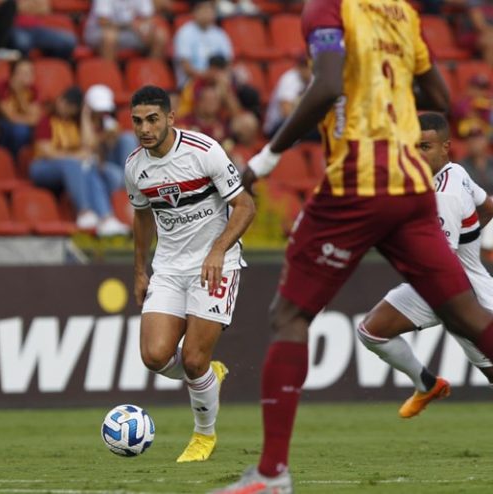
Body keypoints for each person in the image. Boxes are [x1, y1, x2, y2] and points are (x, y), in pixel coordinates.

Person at [215, 1, 493, 492]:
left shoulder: (325, 10)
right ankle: (425, 382)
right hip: (411, 185)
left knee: (289, 316)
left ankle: (272, 474)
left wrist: (264, 159)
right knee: (468, 316)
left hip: (360, 180)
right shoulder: (401, 13)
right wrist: (387, 92)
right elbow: (439, 94)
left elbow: (325, 86)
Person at [125, 85, 256, 462]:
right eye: (137, 121)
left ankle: (203, 436)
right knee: (154, 356)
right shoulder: (135, 167)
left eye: (152, 119)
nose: (145, 128)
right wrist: (139, 270)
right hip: (168, 267)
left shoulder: (204, 152)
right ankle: (208, 378)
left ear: (170, 118)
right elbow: (142, 215)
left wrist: (218, 250)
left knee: (194, 360)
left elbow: (245, 206)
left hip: (215, 265)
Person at [359, 113, 493, 421]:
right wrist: (469, 234)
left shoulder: (443, 194)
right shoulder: (455, 173)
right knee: (372, 331)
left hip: (461, 293)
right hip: (436, 285)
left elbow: (438, 263)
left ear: (445, 147)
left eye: (426, 147)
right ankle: (427, 384)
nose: (417, 154)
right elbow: (487, 206)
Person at [30, 86, 129, 237]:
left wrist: (85, 116)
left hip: (72, 169)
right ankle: (84, 212)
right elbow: (46, 151)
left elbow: (89, 146)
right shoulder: (47, 121)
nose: (65, 109)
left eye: (71, 108)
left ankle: (106, 218)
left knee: (90, 168)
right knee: (74, 164)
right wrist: (75, 156)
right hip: (42, 167)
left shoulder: (76, 124)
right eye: (64, 104)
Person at [172, 0, 233, 89]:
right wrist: (209, 76)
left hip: (217, 80)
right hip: (192, 83)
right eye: (204, 10)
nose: (207, 13)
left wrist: (223, 75)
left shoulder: (220, 34)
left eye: (209, 10)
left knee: (248, 92)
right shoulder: (185, 33)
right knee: (214, 93)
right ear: (195, 12)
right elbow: (186, 68)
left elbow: (228, 63)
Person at [83, 0, 167, 61]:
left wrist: (145, 28)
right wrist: (132, 25)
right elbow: (103, 21)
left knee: (159, 35)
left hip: (128, 31)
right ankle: (110, 76)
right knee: (110, 37)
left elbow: (149, 17)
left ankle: (150, 74)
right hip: (98, 31)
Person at [0, 58, 41, 158]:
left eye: (30, 72)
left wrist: (19, 94)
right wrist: (28, 119)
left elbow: (35, 119)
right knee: (21, 130)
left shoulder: (34, 90)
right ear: (13, 75)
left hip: (22, 124)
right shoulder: (3, 87)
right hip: (4, 124)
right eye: (23, 72)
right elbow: (10, 117)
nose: (28, 75)